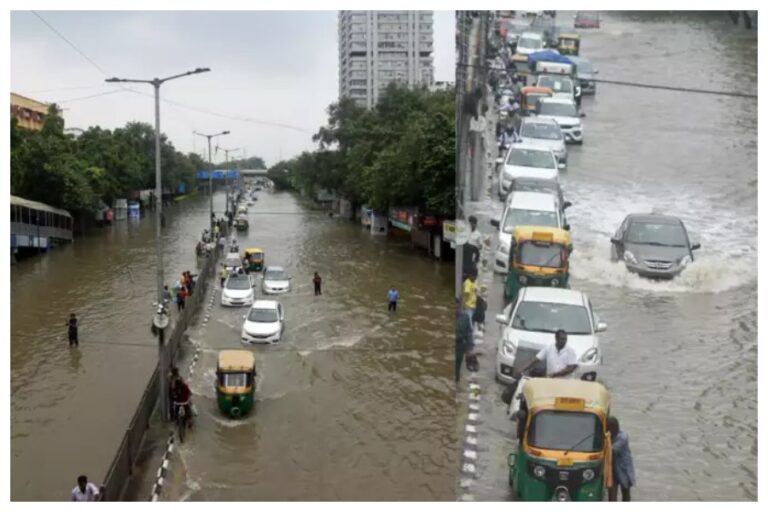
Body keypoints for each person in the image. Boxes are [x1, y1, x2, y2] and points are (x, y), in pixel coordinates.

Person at [608, 416, 636, 502]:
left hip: (624, 469)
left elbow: (611, 449)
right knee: (612, 496)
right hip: (612, 469)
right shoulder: (609, 436)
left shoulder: (622, 437)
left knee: (626, 493)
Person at [455, 301, 474, 383]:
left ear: (459, 307)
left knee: (457, 366)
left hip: (459, 345)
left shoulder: (465, 317)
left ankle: (456, 381)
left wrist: (469, 349)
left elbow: (469, 333)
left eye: (456, 308)